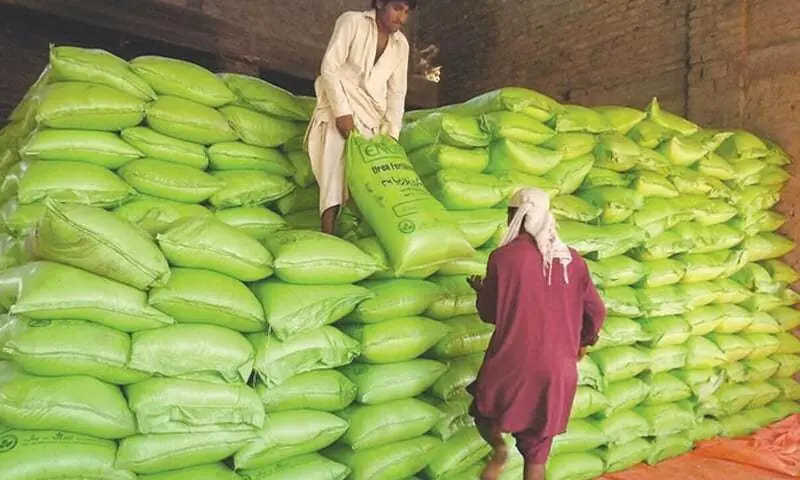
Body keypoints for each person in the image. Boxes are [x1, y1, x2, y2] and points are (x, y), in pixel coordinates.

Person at [466, 188, 607, 480]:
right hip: (558, 371)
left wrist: (482, 292)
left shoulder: (503, 259)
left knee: (482, 408)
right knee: (537, 454)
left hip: (512, 364)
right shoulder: (573, 261)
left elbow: (490, 314)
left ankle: (499, 451)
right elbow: (596, 311)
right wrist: (583, 342)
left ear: (515, 217)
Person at [305, 0, 416, 235]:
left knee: (366, 180)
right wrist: (342, 112)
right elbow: (330, 68)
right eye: (397, 8)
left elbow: (397, 92)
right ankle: (328, 232)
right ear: (379, 3)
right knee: (334, 167)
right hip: (339, 105)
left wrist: (392, 134)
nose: (401, 18)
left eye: (406, 12)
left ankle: (356, 235)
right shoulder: (352, 22)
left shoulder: (401, 46)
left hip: (372, 116)